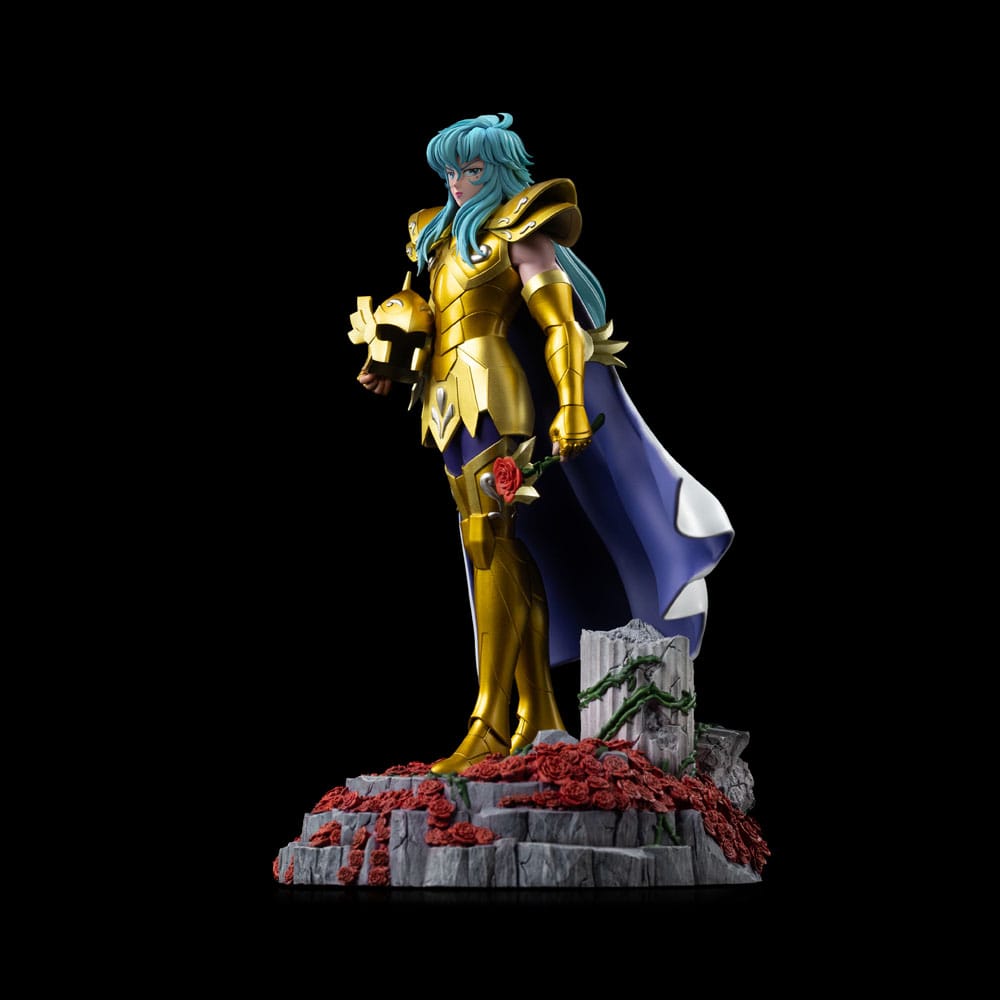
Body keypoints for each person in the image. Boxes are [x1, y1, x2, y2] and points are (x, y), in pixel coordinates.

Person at [350, 113, 733, 774]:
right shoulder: (434, 237)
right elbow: (424, 317)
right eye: (450, 170)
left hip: (495, 394)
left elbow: (560, 328)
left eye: (472, 169)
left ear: (499, 169)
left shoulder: (520, 232)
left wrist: (575, 404)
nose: (458, 181)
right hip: (443, 400)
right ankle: (539, 715)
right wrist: (386, 357)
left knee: (489, 542)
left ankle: (490, 720)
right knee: (496, 549)